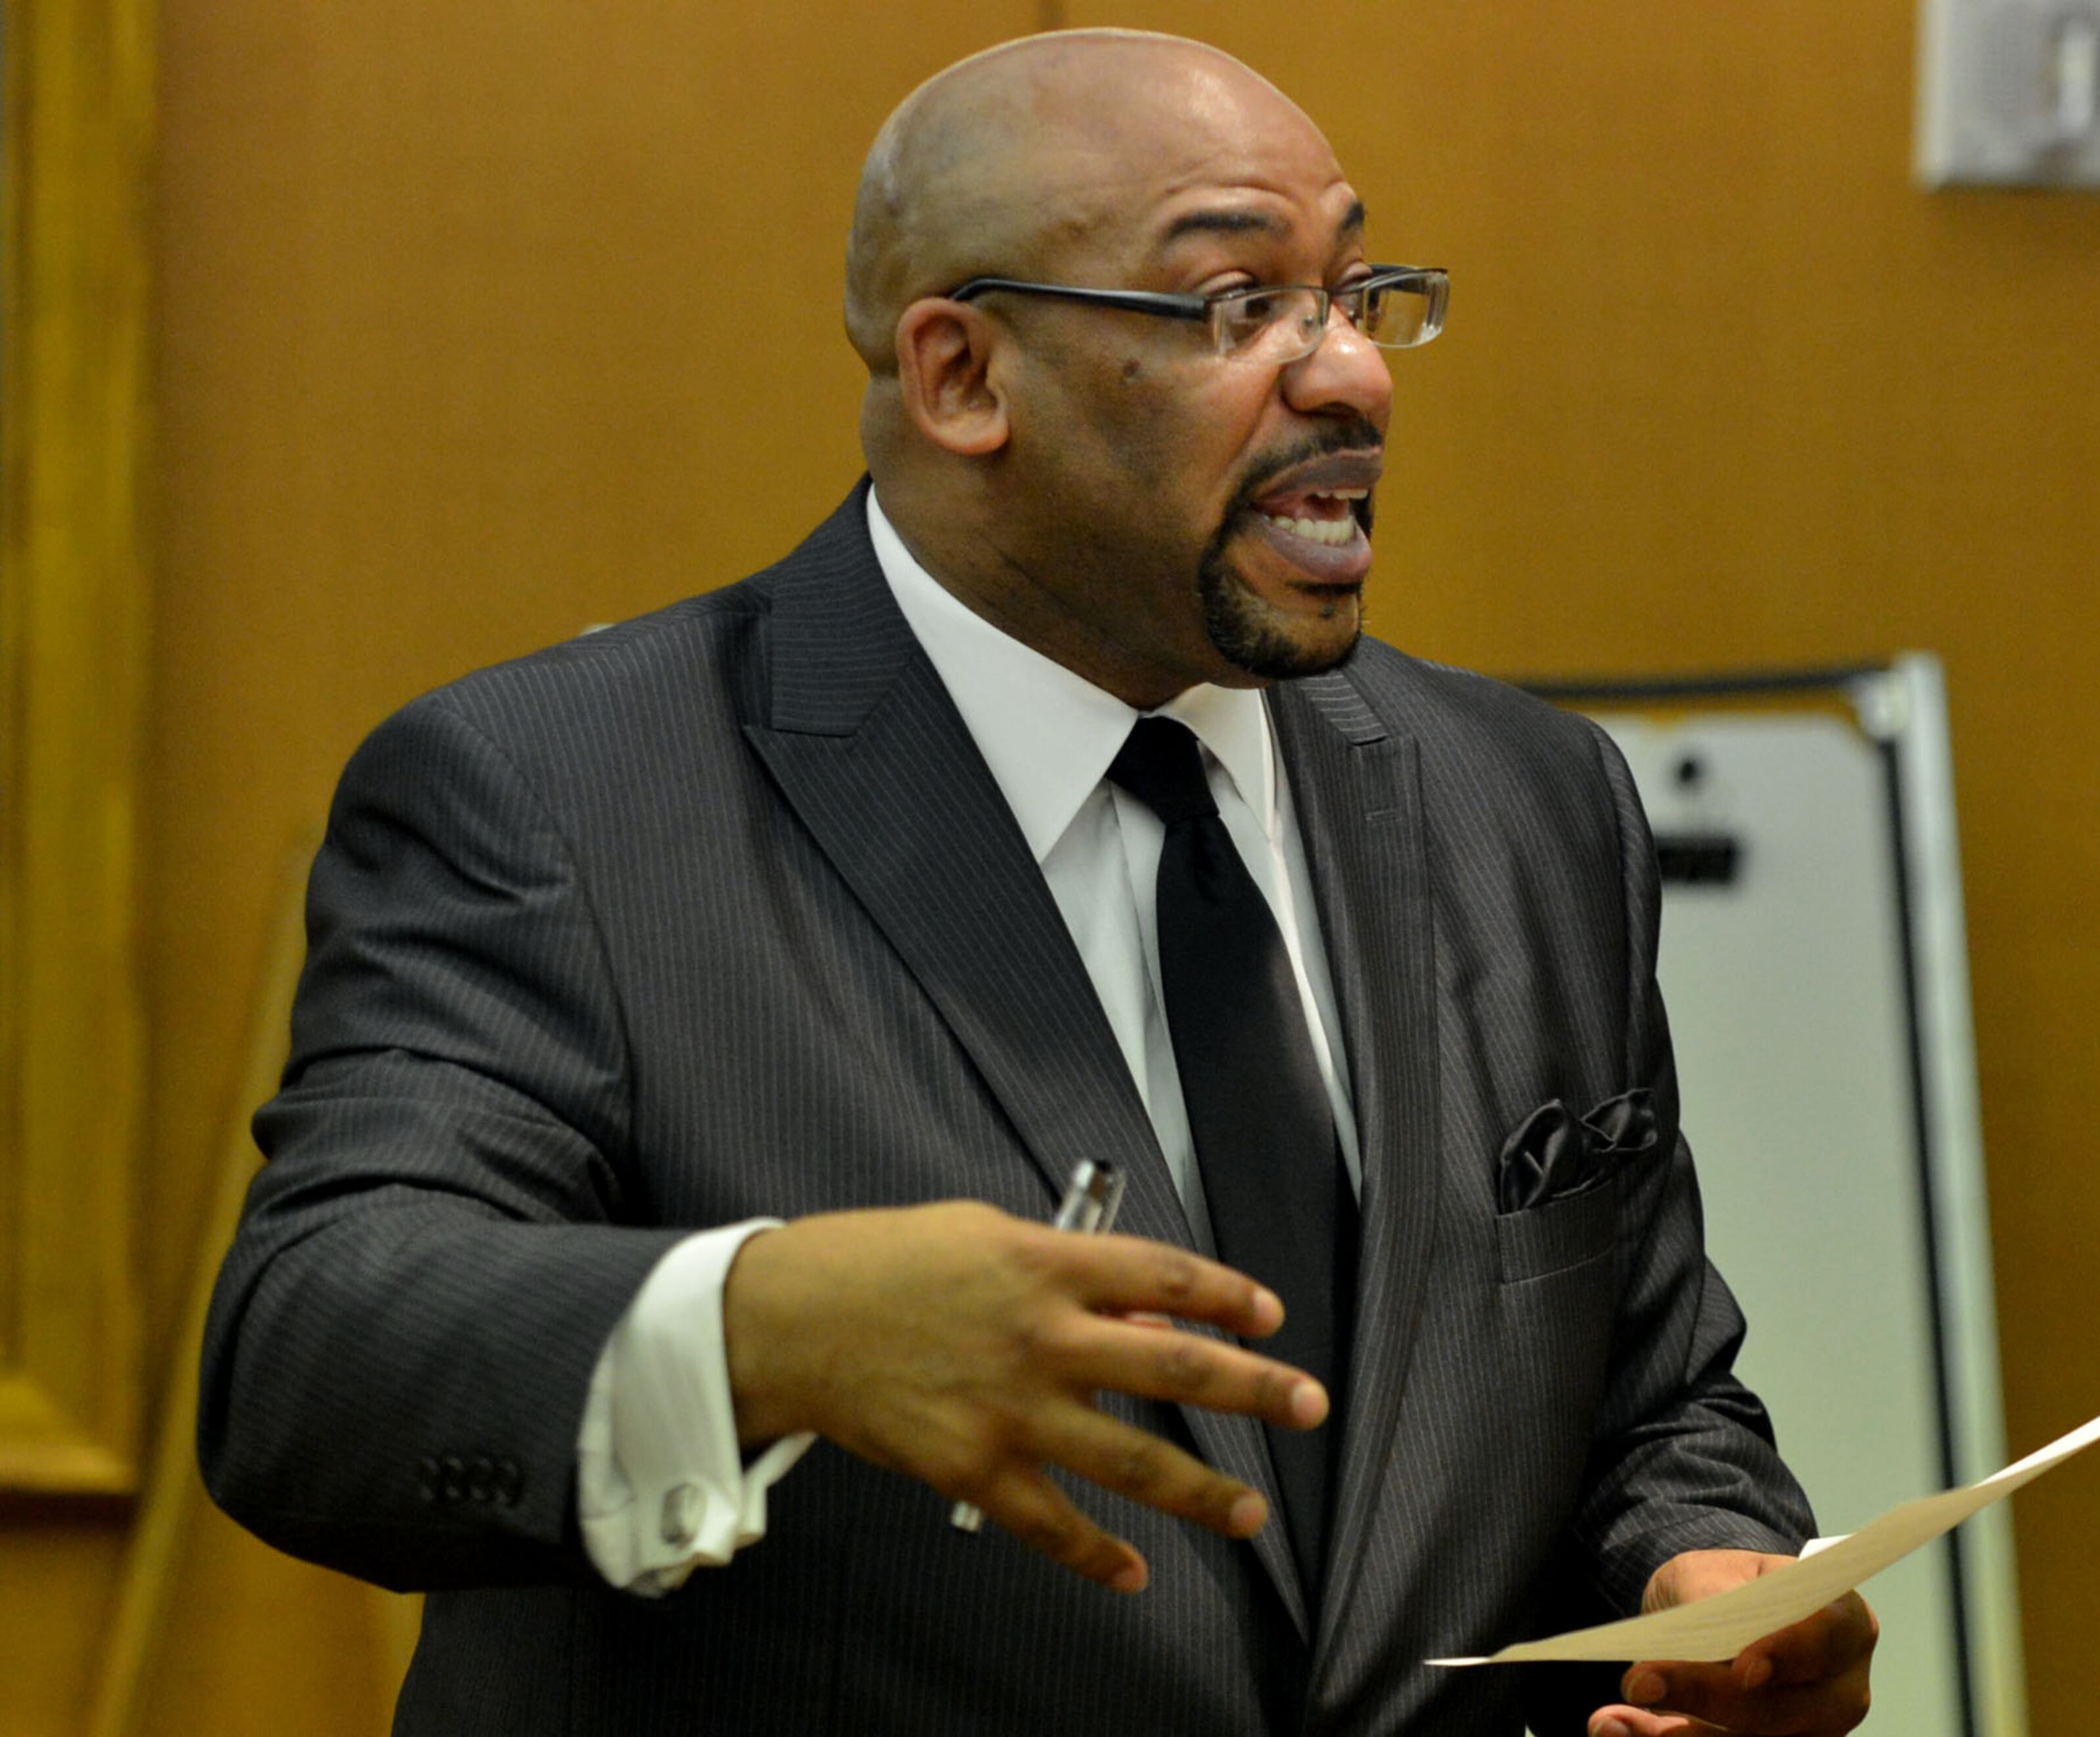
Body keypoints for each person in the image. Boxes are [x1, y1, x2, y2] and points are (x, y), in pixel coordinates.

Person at [198, 28, 1875, 1737]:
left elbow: (1646, 1395)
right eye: (1238, 305)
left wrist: (1710, 1569)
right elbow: (313, 1361)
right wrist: (763, 1325)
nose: (1354, 377)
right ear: (962, 377)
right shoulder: (566, 797)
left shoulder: (1525, 804)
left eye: (1360, 295)